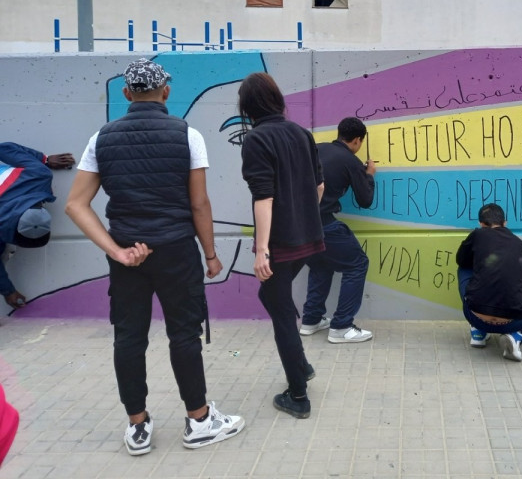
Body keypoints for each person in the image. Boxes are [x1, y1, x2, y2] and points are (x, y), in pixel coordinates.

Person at [65, 58, 244, 456]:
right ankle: (198, 421)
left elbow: (76, 205)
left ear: (127, 94)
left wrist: (117, 251)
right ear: (166, 92)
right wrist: (211, 255)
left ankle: (138, 427)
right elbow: (199, 204)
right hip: (177, 251)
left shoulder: (101, 139)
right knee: (183, 334)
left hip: (127, 254)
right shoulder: (187, 135)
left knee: (128, 337)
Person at [238, 72, 324, 419]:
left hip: (281, 244)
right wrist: (303, 217)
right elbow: (319, 187)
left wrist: (262, 250)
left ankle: (298, 395)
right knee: (275, 299)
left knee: (282, 315)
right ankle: (301, 366)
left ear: (247, 106)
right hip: (309, 238)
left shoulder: (256, 139)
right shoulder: (301, 133)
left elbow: (264, 198)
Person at [300, 117, 376, 344]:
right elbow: (365, 200)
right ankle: (341, 326)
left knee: (321, 264)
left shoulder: (316, 149)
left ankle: (311, 320)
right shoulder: (350, 161)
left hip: (300, 225)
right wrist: (368, 175)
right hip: (324, 223)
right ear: (357, 140)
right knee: (357, 264)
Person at [456, 203, 522, 362]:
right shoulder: (521, 246)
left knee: (464, 268)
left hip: (474, 315)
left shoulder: (478, 235)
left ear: (481, 224)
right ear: (505, 222)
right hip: (513, 321)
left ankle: (478, 331)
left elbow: (461, 260)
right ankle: (516, 335)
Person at [0, 142, 75, 309]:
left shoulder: (39, 174)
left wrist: (44, 160)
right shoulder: (38, 174)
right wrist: (8, 291)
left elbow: (4, 149)